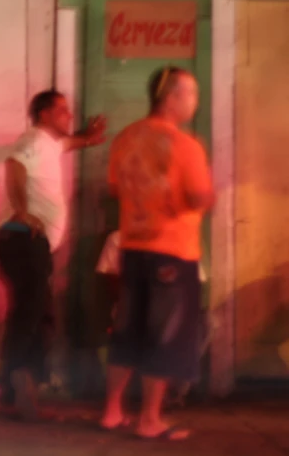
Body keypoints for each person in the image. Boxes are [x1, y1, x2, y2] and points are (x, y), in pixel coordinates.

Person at [100, 66, 215, 440]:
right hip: (173, 252)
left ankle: (112, 411)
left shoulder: (126, 138)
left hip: (133, 249)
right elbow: (199, 197)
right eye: (191, 94)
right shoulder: (186, 146)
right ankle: (150, 419)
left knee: (127, 332)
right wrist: (210, 195)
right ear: (172, 98)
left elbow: (117, 188)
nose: (194, 102)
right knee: (163, 337)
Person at [0, 89, 107, 421]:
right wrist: (23, 211)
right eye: (62, 111)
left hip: (26, 243)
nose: (69, 115)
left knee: (37, 317)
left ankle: (18, 390)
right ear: (43, 115)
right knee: (31, 318)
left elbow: (69, 143)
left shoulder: (50, 144)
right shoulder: (34, 142)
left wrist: (87, 138)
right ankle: (16, 389)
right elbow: (14, 165)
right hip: (24, 240)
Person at [95, 229, 209, 407]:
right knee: (153, 328)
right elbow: (111, 279)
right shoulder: (119, 238)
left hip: (167, 307)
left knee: (203, 323)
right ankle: (144, 405)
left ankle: (170, 391)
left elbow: (194, 282)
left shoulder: (180, 238)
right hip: (137, 307)